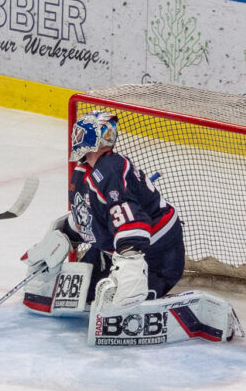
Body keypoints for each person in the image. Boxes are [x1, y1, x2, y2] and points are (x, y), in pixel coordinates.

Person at [23, 111, 185, 314]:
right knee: (85, 296)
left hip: (156, 254)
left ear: (95, 138)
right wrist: (63, 237)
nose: (76, 138)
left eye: (81, 134)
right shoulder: (82, 172)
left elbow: (132, 221)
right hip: (111, 250)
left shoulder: (112, 170)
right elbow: (89, 215)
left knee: (120, 301)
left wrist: (131, 261)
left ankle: (136, 283)